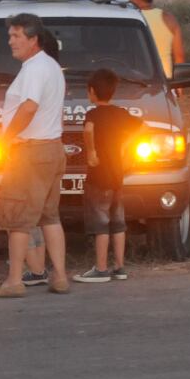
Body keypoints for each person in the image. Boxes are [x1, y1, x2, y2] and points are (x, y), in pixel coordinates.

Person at [0, 13, 69, 298]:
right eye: (10, 35)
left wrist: (5, 136)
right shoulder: (51, 66)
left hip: (30, 151)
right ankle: (59, 275)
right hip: (52, 148)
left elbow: (29, 107)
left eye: (16, 36)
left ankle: (14, 281)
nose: (10, 41)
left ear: (33, 40)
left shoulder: (34, 69)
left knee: (17, 216)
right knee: (50, 216)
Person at [74, 69, 142, 283]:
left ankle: (101, 268)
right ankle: (120, 267)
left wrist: (92, 152)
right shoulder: (120, 113)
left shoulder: (92, 115)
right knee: (118, 222)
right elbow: (141, 126)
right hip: (117, 176)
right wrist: (127, 148)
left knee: (100, 223)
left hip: (98, 177)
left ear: (92, 92)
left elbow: (88, 131)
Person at [129, 0, 185, 79]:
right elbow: (179, 56)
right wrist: (179, 86)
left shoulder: (129, 18)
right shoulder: (168, 18)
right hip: (165, 82)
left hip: (134, 82)